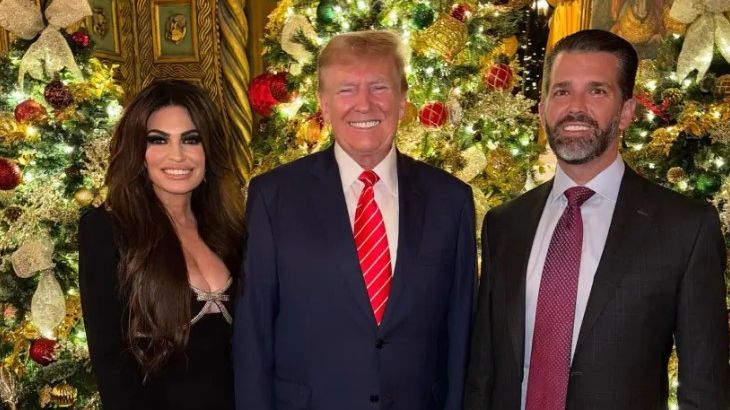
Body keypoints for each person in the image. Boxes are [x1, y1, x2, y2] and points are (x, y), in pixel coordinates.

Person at [465, 29, 729, 410]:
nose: (575, 107)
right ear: (542, 109)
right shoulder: (504, 225)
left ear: (626, 112)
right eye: (561, 91)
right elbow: (482, 376)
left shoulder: (685, 229)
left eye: (597, 91)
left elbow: (705, 389)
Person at [233, 30, 476, 410]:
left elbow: (461, 334)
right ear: (324, 104)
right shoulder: (273, 197)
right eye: (346, 89)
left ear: (402, 101)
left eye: (379, 87)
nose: (364, 104)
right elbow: (254, 334)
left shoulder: (451, 200)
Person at [79, 79, 246, 410]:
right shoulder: (107, 229)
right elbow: (111, 364)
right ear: (138, 152)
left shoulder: (231, 227)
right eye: (158, 140)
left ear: (208, 149)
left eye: (191, 139)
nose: (177, 155)